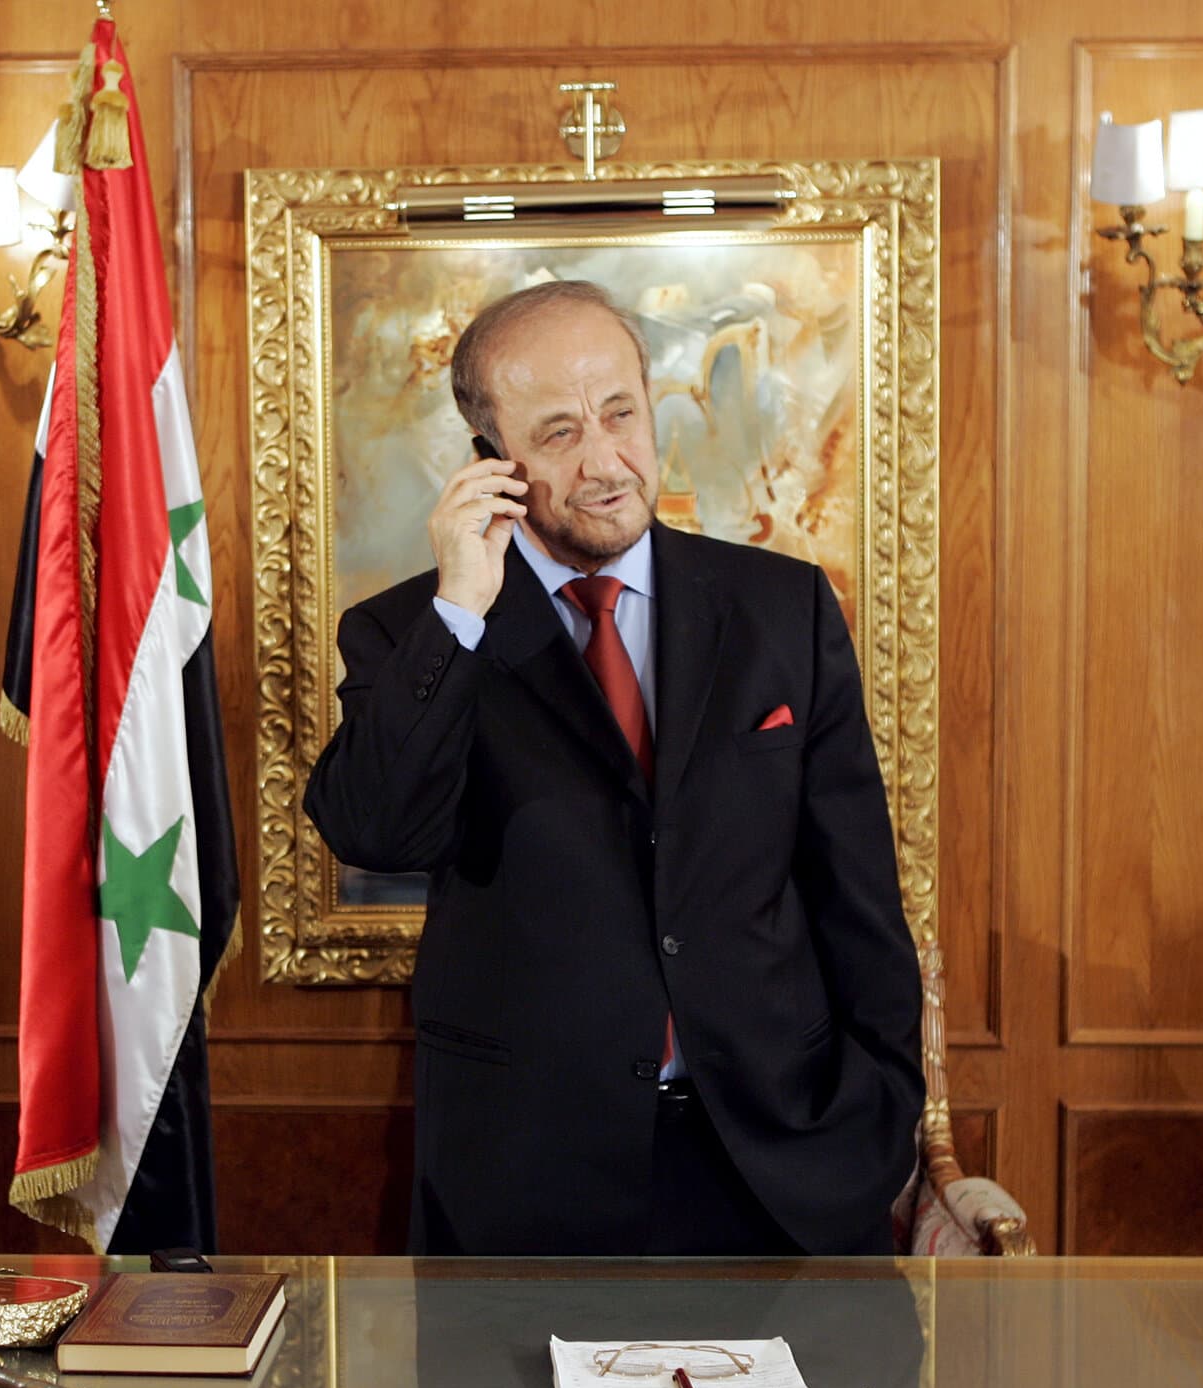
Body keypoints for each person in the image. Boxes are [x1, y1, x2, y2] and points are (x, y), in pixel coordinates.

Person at [304, 279, 923, 1256]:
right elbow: (377, 828)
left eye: (621, 413)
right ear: (488, 460)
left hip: (781, 1173)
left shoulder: (784, 610)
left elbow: (859, 901)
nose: (605, 461)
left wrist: (874, 1123)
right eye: (556, 433)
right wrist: (462, 607)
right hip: (527, 1189)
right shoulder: (411, 634)